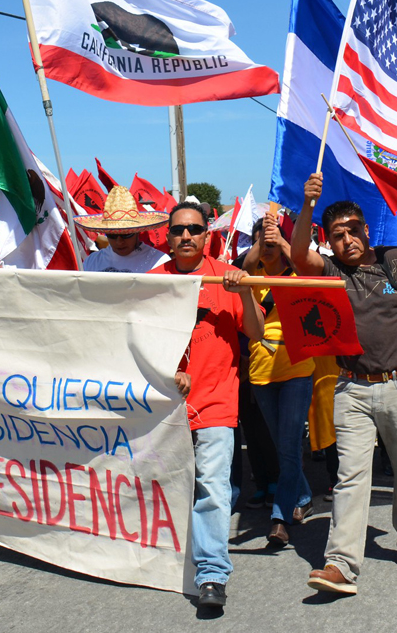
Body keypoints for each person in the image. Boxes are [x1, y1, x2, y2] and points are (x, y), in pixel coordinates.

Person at [290, 172, 397, 595]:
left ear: (366, 229)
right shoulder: (329, 268)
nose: (348, 239)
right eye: (338, 234)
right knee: (350, 476)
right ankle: (340, 563)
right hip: (351, 388)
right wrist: (306, 204)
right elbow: (298, 256)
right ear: (329, 240)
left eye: (354, 230)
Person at [149, 201, 264, 609]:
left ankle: (212, 573)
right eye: (179, 229)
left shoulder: (226, 277)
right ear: (167, 235)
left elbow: (256, 331)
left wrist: (246, 290)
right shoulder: (152, 281)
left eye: (194, 230)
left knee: (213, 488)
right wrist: (167, 374)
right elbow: (137, 343)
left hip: (216, 403)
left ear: (206, 235)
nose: (186, 236)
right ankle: (159, 561)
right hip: (165, 407)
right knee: (165, 487)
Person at [241, 213, 316, 547]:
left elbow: (305, 263)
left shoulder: (297, 272)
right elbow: (244, 265)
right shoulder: (249, 276)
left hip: (298, 370)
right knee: (281, 445)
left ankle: (279, 517)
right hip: (260, 371)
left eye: (273, 242)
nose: (268, 248)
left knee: (288, 445)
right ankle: (302, 495)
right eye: (263, 242)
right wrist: (261, 241)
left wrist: (282, 239)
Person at [77, 186, 170, 273]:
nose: (119, 242)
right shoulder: (92, 262)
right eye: (112, 235)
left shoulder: (160, 262)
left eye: (126, 234)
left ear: (137, 231)